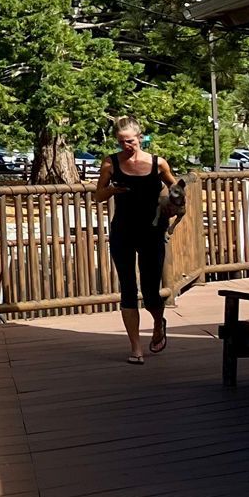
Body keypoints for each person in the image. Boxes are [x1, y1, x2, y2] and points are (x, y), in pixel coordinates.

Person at [95, 117, 181, 364]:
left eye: (130, 141)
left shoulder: (157, 163)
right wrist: (112, 190)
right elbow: (98, 196)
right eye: (121, 141)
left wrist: (173, 203)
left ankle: (157, 323)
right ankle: (136, 348)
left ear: (140, 138)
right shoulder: (110, 163)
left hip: (152, 231)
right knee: (128, 288)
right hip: (123, 230)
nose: (126, 146)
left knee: (151, 289)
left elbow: (177, 188)